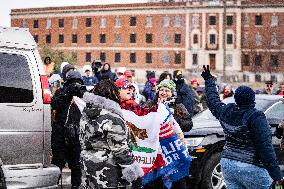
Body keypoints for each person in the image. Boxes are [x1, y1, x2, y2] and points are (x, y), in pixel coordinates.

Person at [201, 65, 283, 189]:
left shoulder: (227, 111)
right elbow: (265, 147)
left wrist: (209, 81)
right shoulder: (256, 117)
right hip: (250, 166)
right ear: (252, 100)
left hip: (228, 165)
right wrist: (277, 175)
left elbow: (213, 101)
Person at [80, 80, 143, 188]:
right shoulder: (112, 117)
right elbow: (120, 150)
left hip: (87, 165)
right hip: (107, 171)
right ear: (113, 94)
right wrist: (134, 173)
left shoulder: (86, 114)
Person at [51, 70, 85, 188]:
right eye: (73, 82)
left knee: (76, 165)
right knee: (57, 163)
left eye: (77, 83)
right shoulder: (61, 92)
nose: (75, 85)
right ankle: (54, 185)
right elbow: (54, 104)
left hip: (76, 136)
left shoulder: (82, 95)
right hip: (60, 134)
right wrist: (67, 92)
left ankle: (76, 186)